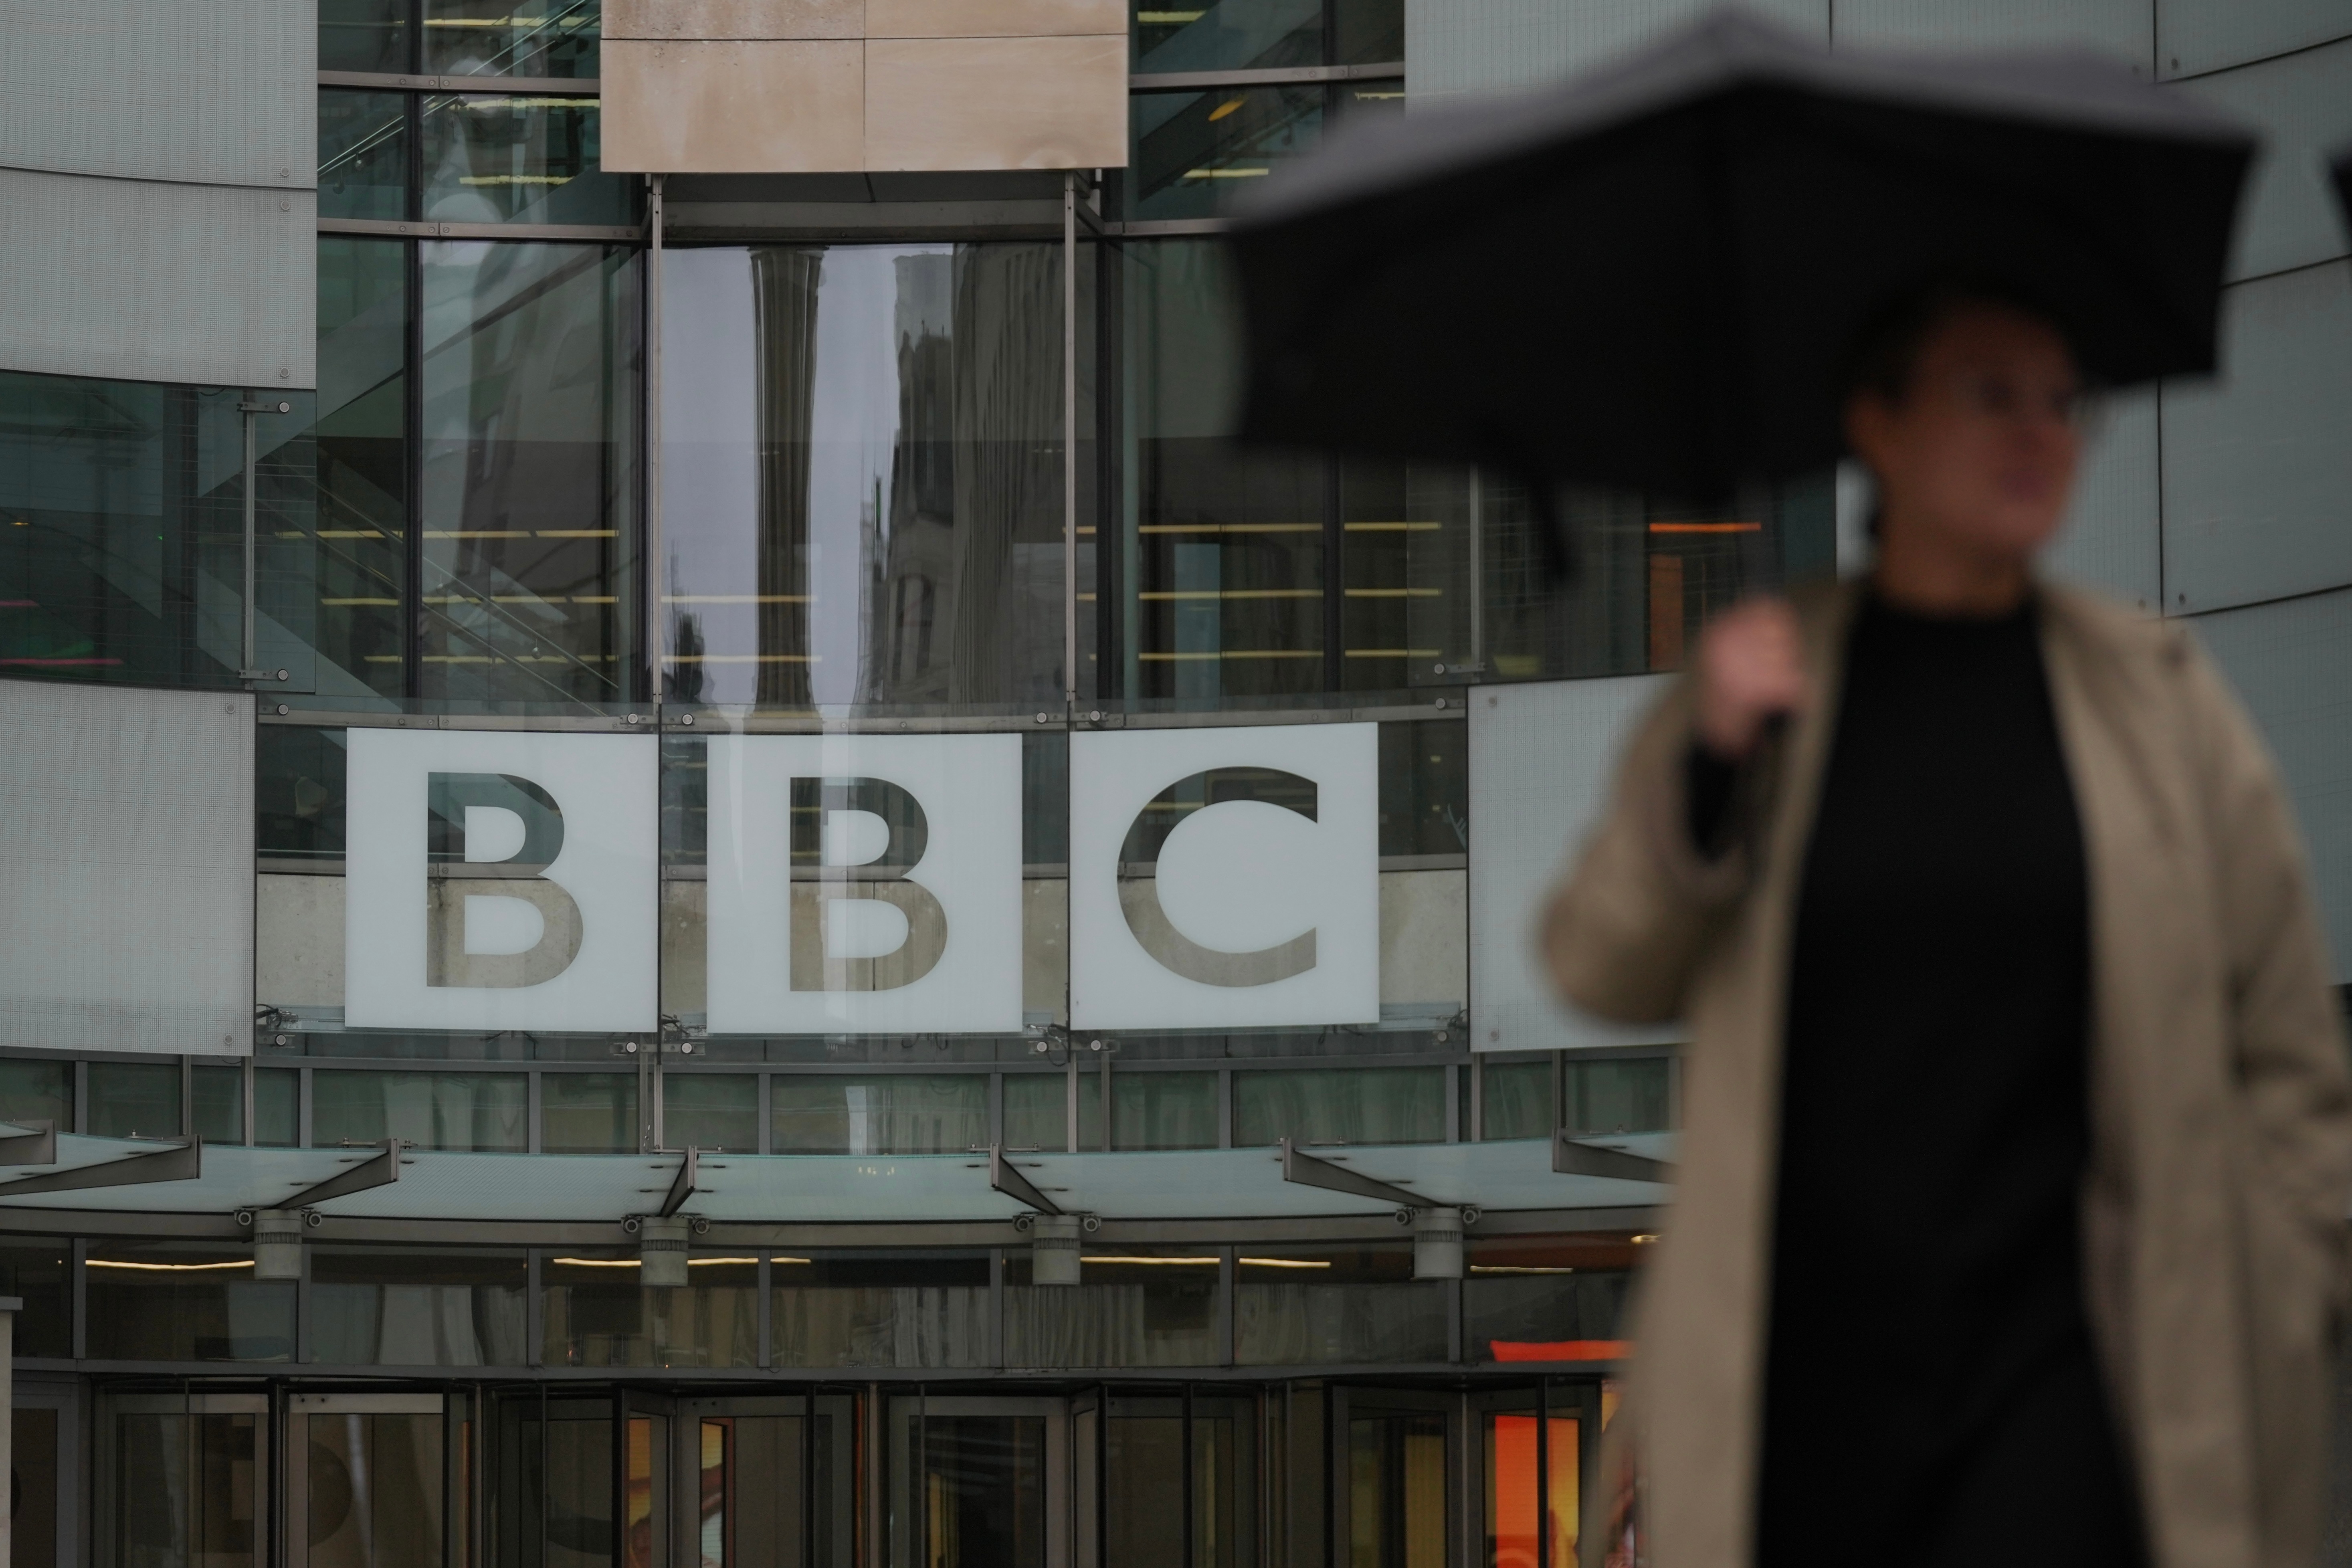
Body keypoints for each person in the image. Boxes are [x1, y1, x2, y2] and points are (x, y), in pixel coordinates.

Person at [1544, 289, 2352, 1568]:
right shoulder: (1768, 684)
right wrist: (1709, 762)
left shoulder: (2156, 699)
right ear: (1878, 424)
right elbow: (1597, 960)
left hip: (2074, 1367)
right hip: (1806, 1380)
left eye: (2061, 400)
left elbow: (2292, 1054)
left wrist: (2281, 1281)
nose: (2039, 432)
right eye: (1987, 394)